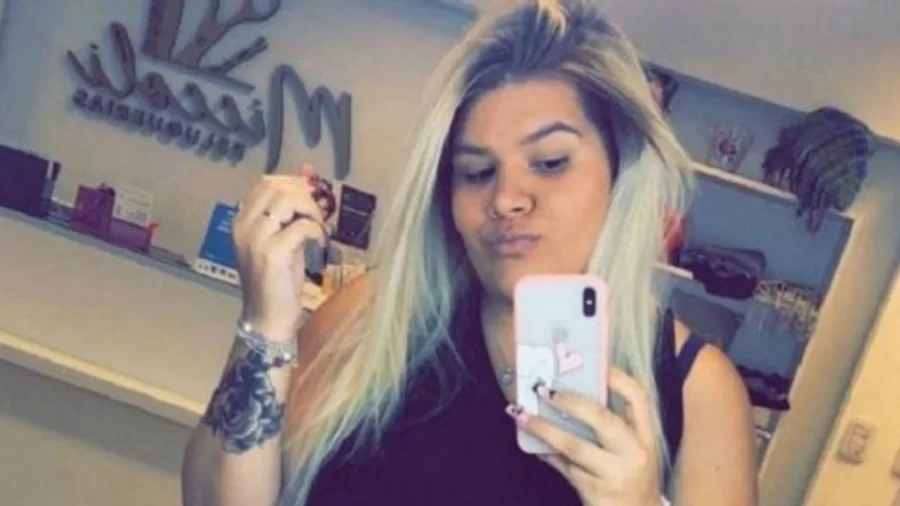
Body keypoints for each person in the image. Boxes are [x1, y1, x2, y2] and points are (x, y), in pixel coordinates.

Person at [181, 1, 758, 505]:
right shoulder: (374, 316)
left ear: (619, 169)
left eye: (550, 163)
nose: (505, 199)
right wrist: (265, 326)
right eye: (477, 172)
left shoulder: (699, 392)